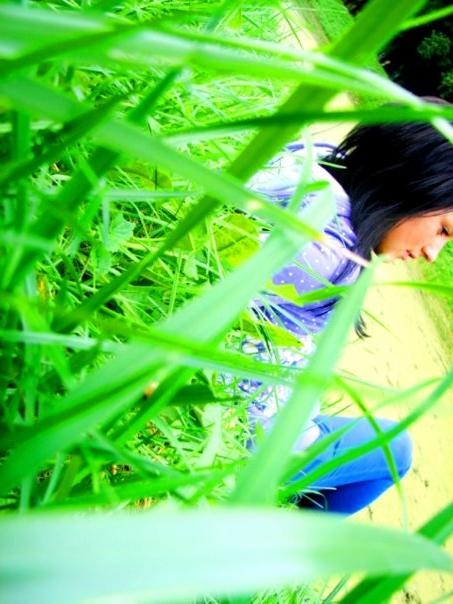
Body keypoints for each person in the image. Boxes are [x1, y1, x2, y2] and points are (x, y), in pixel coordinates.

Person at [241, 117, 453, 515]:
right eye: (442, 230)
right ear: (411, 181)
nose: (431, 254)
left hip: (252, 400)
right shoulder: (330, 254)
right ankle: (280, 542)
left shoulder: (314, 164)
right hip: (250, 435)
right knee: (394, 450)